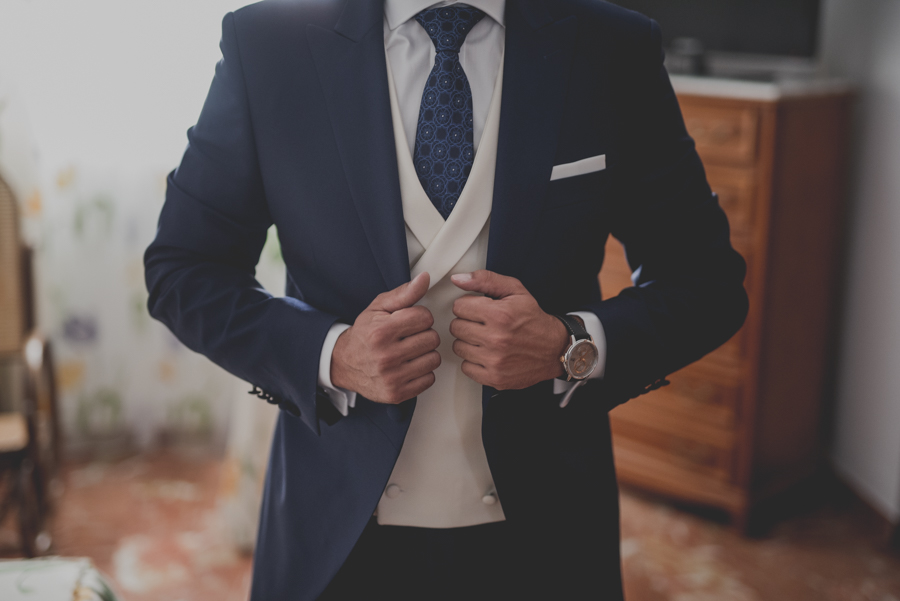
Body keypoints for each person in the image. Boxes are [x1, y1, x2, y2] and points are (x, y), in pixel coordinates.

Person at [144, 0, 748, 598]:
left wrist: (569, 347)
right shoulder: (268, 43)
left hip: (546, 530)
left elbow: (707, 282)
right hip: (337, 527)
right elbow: (184, 270)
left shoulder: (613, 47)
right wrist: (332, 355)